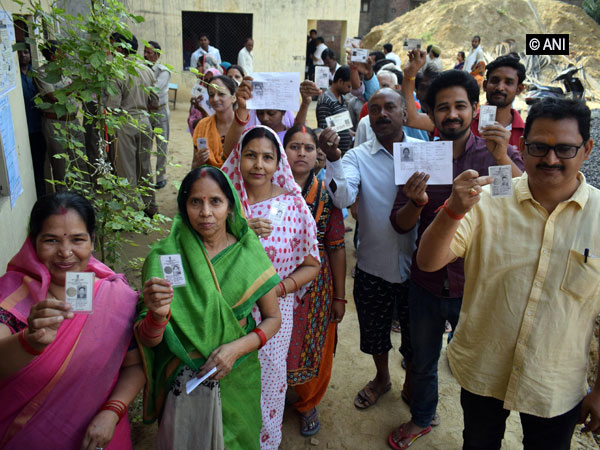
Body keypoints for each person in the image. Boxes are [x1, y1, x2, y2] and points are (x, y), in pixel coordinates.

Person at [416, 97, 600, 448]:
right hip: (483, 368)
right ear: (522, 147)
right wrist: (452, 210)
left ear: (587, 149)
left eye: (564, 149)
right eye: (538, 147)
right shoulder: (487, 199)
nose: (549, 159)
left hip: (555, 382)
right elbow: (428, 262)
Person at [387, 68, 524, 450]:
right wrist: (416, 203)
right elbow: (400, 225)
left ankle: (477, 434)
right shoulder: (419, 156)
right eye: (442, 107)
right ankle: (422, 417)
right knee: (422, 358)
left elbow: (512, 208)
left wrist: (500, 159)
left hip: (476, 284)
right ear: (430, 114)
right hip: (427, 281)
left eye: (460, 106)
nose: (452, 115)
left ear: (474, 108)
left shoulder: (494, 154)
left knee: (479, 365)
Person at [137, 167, 281, 450]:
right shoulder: (165, 257)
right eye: (195, 202)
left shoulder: (247, 251)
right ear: (184, 207)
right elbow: (148, 339)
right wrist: (156, 315)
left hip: (238, 373)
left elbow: (273, 318)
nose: (205, 212)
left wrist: (235, 349)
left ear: (230, 207)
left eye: (215, 201)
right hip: (182, 376)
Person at [0, 192, 143, 449]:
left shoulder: (115, 297)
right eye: (51, 240)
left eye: (77, 240)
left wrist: (113, 411)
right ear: (33, 243)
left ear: (91, 241)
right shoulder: (12, 295)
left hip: (101, 437)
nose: (65, 253)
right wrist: (28, 343)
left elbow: (135, 366)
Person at [319, 88, 419, 412]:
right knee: (375, 333)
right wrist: (334, 159)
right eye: (374, 109)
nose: (382, 114)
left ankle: (413, 384)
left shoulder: (425, 152)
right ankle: (382, 378)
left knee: (417, 339)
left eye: (390, 107)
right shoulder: (356, 156)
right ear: (368, 118)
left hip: (419, 270)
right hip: (373, 266)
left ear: (405, 113)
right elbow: (344, 198)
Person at [221, 125, 320, 450]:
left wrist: (279, 289)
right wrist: (235, 229)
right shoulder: (222, 205)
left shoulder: (294, 206)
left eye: (267, 157)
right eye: (251, 155)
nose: (258, 165)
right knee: (227, 380)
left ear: (279, 164)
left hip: (273, 316)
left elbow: (312, 264)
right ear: (239, 157)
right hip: (224, 315)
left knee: (268, 384)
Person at [282, 125, 347, 436]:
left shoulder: (327, 194)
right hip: (275, 280)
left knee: (313, 343)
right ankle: (271, 391)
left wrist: (340, 296)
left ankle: (308, 401)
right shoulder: (268, 188)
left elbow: (336, 246)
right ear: (283, 152)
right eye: (294, 147)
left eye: (308, 148)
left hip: (316, 285)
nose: (301, 153)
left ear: (318, 155)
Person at [106, 33, 159, 216]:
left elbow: (113, 106)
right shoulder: (147, 70)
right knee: (144, 165)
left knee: (125, 168)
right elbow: (155, 102)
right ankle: (150, 204)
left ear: (121, 48)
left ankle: (130, 211)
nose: (112, 50)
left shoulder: (117, 71)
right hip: (145, 121)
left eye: (113, 45)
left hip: (125, 123)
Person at [35, 40, 86, 189]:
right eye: (61, 52)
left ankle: (84, 198)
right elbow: (54, 97)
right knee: (60, 166)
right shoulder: (42, 73)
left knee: (80, 161)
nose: (65, 55)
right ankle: (64, 202)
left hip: (73, 122)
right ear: (52, 56)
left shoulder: (65, 71)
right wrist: (76, 86)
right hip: (56, 123)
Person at [471, 55, 526, 146]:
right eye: (494, 81)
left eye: (508, 82)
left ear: (519, 89)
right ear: (485, 85)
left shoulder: (526, 134)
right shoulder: (467, 124)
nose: (500, 87)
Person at [18, 46, 46, 198]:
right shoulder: (15, 76)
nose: (23, 56)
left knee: (39, 165)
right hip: (23, 129)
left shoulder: (36, 74)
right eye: (20, 52)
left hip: (38, 126)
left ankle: (41, 196)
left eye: (26, 52)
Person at [192, 75, 237, 168]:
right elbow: (194, 167)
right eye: (211, 95)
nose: (215, 99)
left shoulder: (242, 127)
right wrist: (198, 162)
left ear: (233, 97)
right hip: (208, 179)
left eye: (221, 94)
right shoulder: (202, 126)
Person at [144, 41, 171, 189]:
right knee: (146, 145)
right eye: (145, 51)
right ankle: (146, 176)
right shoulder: (141, 69)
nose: (145, 55)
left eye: (149, 52)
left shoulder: (163, 71)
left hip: (160, 111)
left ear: (157, 55)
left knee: (162, 145)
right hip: (146, 111)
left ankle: (160, 176)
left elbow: (152, 90)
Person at [316, 66, 353, 153]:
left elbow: (342, 124)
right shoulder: (325, 101)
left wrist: (349, 132)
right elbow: (324, 130)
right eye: (348, 86)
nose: (350, 90)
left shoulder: (342, 99)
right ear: (340, 81)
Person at [188, 67, 221, 134]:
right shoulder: (200, 96)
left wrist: (202, 111)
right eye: (206, 80)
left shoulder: (223, 99)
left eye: (211, 79)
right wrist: (193, 105)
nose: (209, 83)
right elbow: (191, 119)